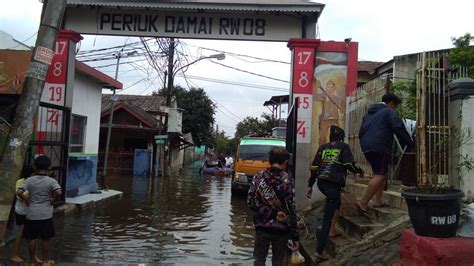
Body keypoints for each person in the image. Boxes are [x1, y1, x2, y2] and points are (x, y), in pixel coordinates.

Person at [306, 125, 363, 262]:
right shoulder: (343, 147)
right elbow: (349, 164)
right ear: (342, 138)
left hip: (322, 183)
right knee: (327, 217)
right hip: (333, 184)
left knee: (336, 202)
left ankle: (332, 230)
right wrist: (359, 171)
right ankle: (319, 252)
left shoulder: (323, 147)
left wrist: (310, 185)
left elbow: (314, 167)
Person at [356, 93, 414, 215]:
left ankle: (378, 201)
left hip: (366, 146)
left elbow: (360, 132)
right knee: (381, 175)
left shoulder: (369, 114)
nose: (395, 109)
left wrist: (365, 146)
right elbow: (397, 127)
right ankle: (363, 202)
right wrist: (409, 142)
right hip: (380, 146)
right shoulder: (389, 111)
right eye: (395, 106)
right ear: (392, 103)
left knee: (380, 173)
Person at [247, 147, 299, 266]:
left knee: (259, 260)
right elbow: (291, 207)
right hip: (281, 229)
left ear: (269, 160)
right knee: (278, 262)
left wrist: (271, 214)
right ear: (285, 162)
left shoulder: (258, 177)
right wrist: (295, 235)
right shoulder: (287, 180)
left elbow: (251, 202)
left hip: (262, 227)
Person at [17, 155, 62, 266]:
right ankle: (46, 262)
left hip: (32, 214)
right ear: (49, 167)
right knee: (45, 238)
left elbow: (19, 192)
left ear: (34, 166)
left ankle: (32, 262)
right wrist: (52, 199)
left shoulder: (29, 180)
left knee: (32, 238)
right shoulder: (51, 181)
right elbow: (59, 192)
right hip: (46, 214)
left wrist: (26, 200)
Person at [11, 165, 37, 263]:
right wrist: (27, 198)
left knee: (34, 234)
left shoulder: (33, 182)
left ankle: (34, 256)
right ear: (30, 174)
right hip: (21, 211)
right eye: (34, 173)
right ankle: (14, 254)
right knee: (20, 233)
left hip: (31, 211)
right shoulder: (20, 181)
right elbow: (19, 195)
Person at [317, 80, 345, 146]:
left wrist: (341, 110)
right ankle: (321, 152)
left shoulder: (338, 99)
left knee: (336, 137)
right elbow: (320, 110)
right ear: (326, 88)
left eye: (332, 87)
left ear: (334, 89)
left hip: (334, 120)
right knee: (322, 138)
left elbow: (342, 110)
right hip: (324, 120)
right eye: (328, 87)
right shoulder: (322, 98)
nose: (330, 89)